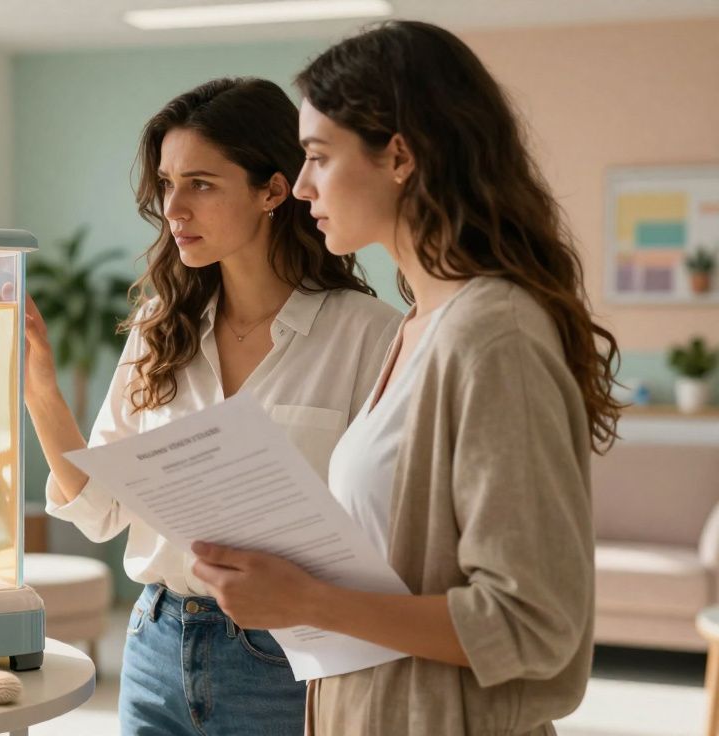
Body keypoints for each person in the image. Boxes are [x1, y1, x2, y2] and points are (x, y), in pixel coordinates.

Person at [189, 22, 621, 735]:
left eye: (319, 158)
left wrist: (308, 601)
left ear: (400, 156)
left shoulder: (495, 335)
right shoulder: (418, 324)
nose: (299, 188)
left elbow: (533, 624)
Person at [25, 77, 401, 735]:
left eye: (200, 183)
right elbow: (99, 510)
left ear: (273, 190)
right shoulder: (157, 325)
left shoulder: (369, 334)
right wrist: (40, 391)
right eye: (167, 184)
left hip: (291, 658)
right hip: (155, 644)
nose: (174, 208)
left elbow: (395, 528)